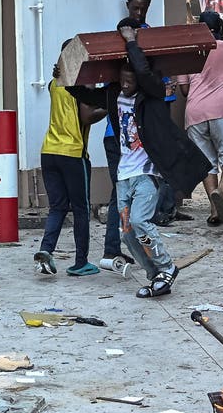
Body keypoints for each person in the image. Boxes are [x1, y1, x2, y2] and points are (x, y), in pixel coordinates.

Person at [68, 20, 211, 298]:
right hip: (124, 175)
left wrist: (132, 42)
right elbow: (88, 94)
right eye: (122, 78)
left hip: (147, 173)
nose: (125, 83)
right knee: (127, 232)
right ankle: (155, 275)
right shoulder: (114, 93)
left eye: (130, 80)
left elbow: (144, 73)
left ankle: (167, 267)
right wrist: (66, 78)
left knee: (142, 222)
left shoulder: (153, 93)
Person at [33, 42, 107, 277]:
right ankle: (80, 261)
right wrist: (111, 105)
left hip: (49, 151)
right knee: (81, 208)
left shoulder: (55, 83)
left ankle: (46, 250)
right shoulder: (80, 84)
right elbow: (86, 116)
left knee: (57, 206)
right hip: (73, 153)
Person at [177, 11, 223, 226]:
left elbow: (184, 90)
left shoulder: (187, 53)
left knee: (207, 164)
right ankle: (221, 191)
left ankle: (214, 210)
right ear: (220, 29)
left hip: (195, 113)